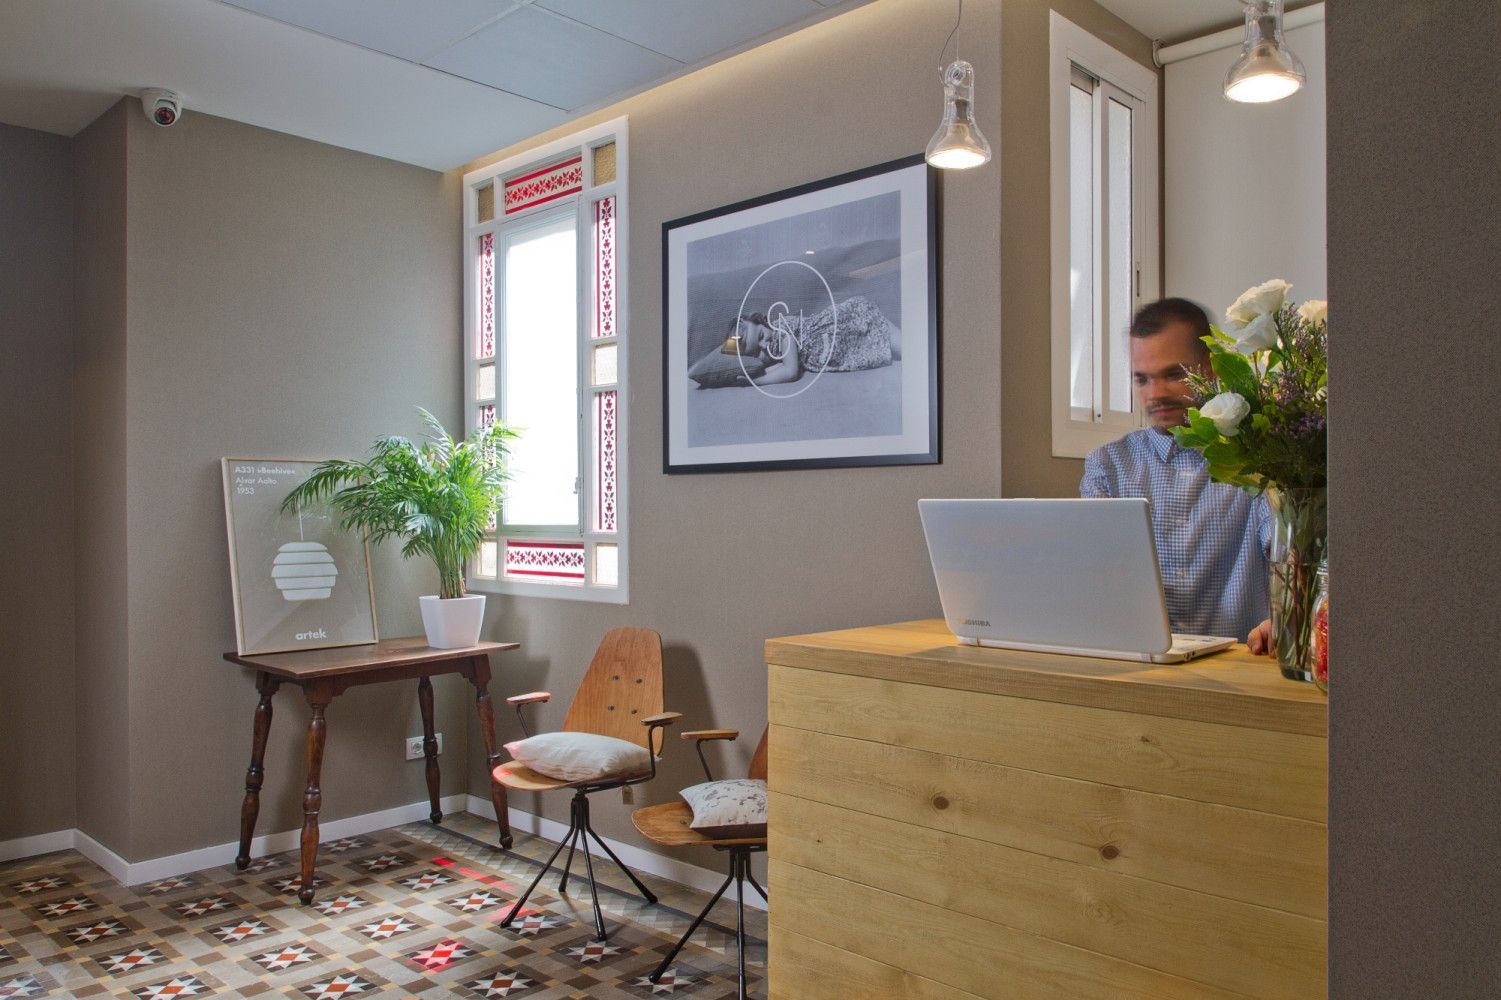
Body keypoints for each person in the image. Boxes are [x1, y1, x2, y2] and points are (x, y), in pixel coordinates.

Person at [1079, 297, 1276, 654]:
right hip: (1139, 666)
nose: (1155, 394)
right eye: (1142, 379)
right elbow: (1098, 577)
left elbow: (1287, 554)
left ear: (1213, 367)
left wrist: (1283, 615)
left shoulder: (1260, 458)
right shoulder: (1106, 466)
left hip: (1242, 666)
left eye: (1173, 374)